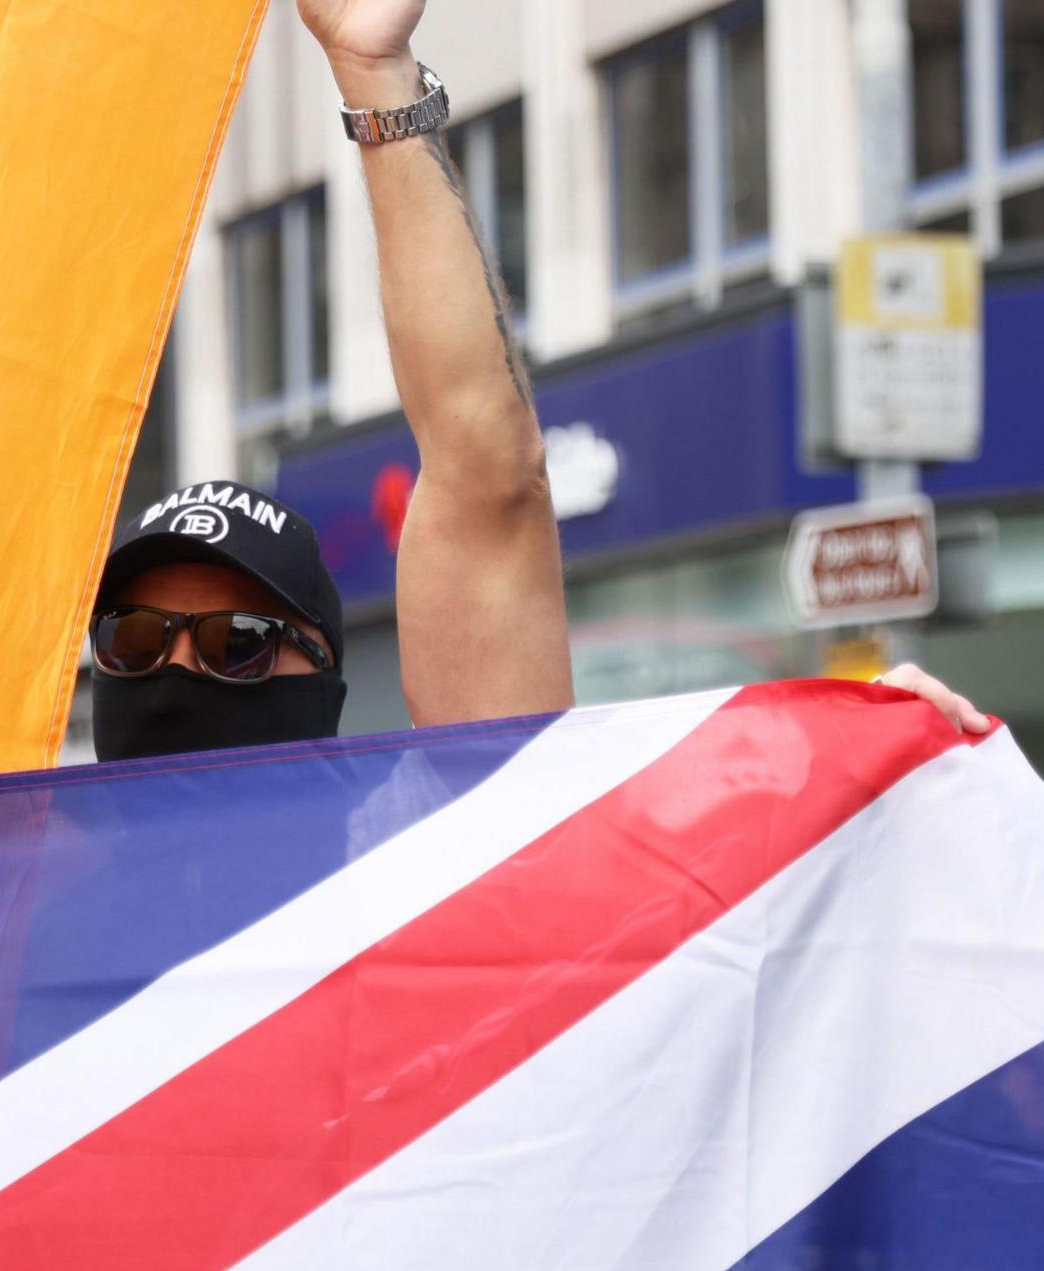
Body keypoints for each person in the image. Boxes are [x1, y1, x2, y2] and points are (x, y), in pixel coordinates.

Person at [88, 0, 987, 762]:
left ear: (321, 667)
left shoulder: (427, 869)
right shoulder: (9, 904)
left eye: (237, 644)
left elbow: (488, 466)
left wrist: (833, 780)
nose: (174, 674)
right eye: (131, 640)